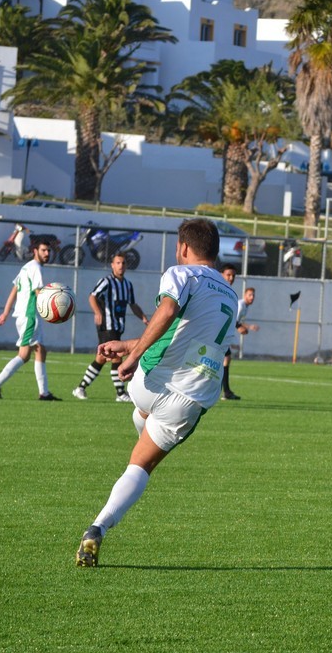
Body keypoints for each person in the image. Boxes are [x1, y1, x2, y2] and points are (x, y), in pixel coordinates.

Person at [76, 218, 239, 567]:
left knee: (144, 419)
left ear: (183, 248)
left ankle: (144, 421)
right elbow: (187, 331)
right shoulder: (230, 293)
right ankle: (97, 527)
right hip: (192, 396)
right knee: (141, 465)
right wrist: (129, 346)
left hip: (149, 382)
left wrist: (132, 353)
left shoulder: (181, 273)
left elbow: (167, 312)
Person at [0, 237, 60, 401]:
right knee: (27, 353)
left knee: (35, 352)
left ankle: (43, 392)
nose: (47, 253)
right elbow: (38, 293)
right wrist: (54, 308)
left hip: (24, 316)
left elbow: (14, 290)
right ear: (35, 251)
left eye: (48, 251)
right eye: (43, 250)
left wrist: (5, 313)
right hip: (29, 316)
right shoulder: (36, 268)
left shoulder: (26, 267)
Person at [72, 253, 149, 402]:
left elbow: (132, 304)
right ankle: (120, 393)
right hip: (107, 325)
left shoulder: (127, 285)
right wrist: (97, 312)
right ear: (112, 265)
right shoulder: (106, 282)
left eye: (123, 263)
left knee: (101, 358)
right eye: (118, 263)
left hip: (118, 326)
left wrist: (143, 317)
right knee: (116, 356)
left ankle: (81, 388)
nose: (121, 266)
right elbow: (92, 296)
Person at [219, 264, 244, 400]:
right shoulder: (218, 289)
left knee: (225, 358)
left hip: (219, 334)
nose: (231, 278)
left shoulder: (230, 293)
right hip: (209, 332)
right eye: (228, 275)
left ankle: (226, 391)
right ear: (221, 274)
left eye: (233, 275)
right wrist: (238, 326)